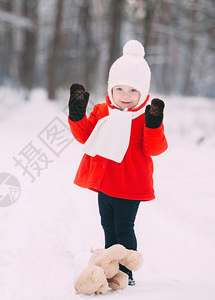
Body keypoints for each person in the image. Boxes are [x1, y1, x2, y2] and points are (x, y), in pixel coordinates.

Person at [67, 40, 168, 286]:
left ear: (143, 92)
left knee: (123, 227)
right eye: (120, 89)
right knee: (107, 225)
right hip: (105, 183)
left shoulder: (143, 117)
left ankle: (126, 271)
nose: (125, 96)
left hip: (129, 185)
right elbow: (85, 136)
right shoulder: (102, 110)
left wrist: (154, 125)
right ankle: (111, 266)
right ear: (111, 89)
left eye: (133, 91)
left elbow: (154, 148)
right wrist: (77, 115)